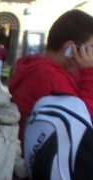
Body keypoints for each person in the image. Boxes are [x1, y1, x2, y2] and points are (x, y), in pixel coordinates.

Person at [9, 9, 93, 143]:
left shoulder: (48, 69)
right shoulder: (49, 76)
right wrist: (89, 73)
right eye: (91, 47)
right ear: (70, 48)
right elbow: (81, 122)